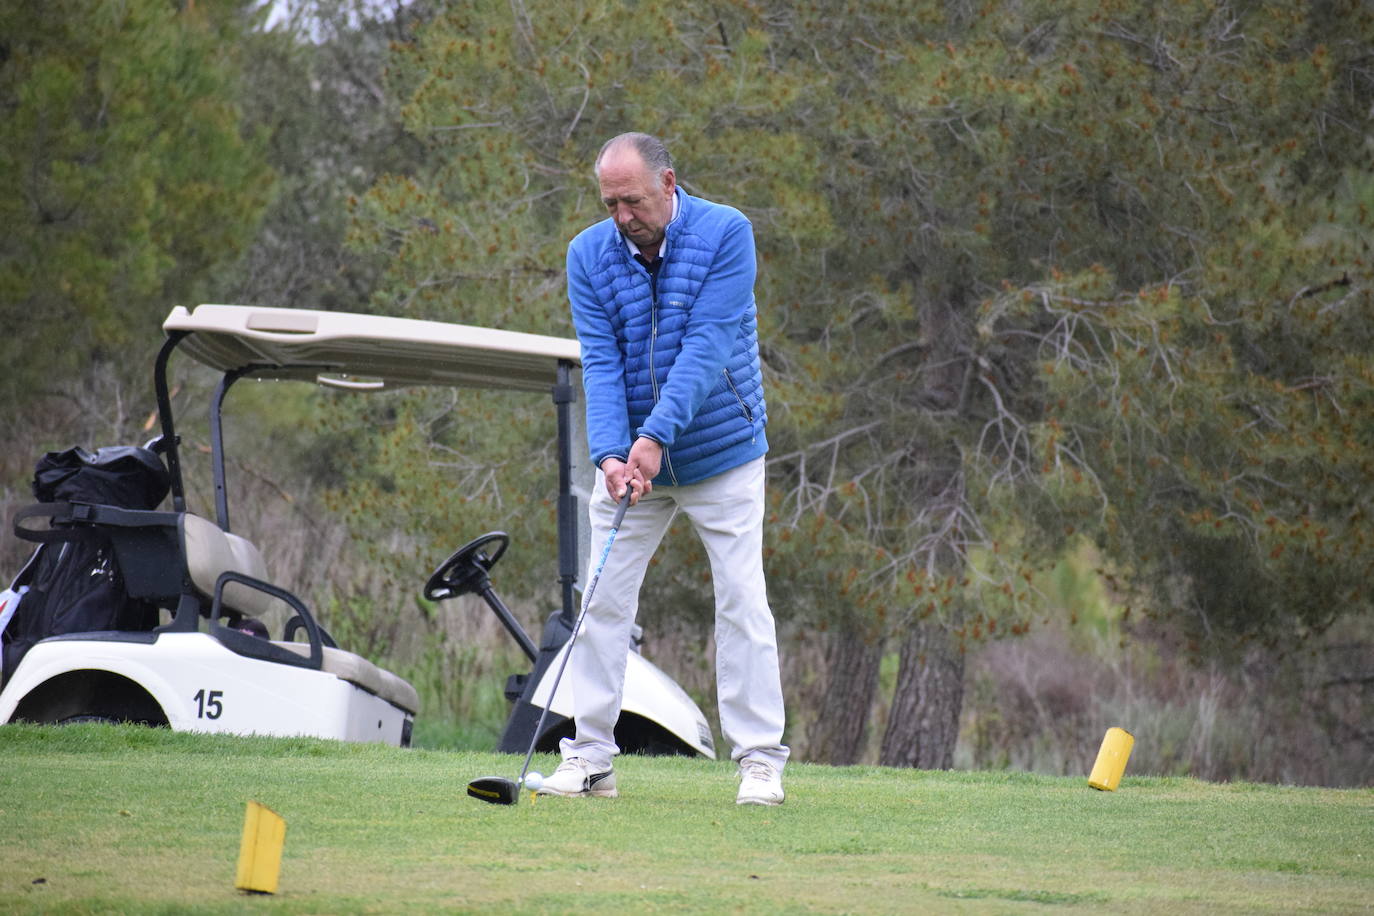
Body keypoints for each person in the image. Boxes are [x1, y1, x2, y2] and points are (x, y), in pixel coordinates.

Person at [538, 132, 789, 805]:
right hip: (634, 467)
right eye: (611, 202)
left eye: (634, 200)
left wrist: (654, 437)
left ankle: (760, 762)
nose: (622, 215)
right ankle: (589, 757)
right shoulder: (587, 255)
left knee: (741, 601)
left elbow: (709, 346)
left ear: (669, 183)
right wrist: (614, 454)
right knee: (600, 602)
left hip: (723, 454)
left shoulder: (727, 233)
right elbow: (602, 359)